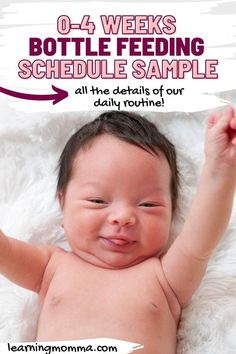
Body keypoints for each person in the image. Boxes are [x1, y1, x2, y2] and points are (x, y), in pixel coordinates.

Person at [0, 109, 236, 353]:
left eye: (148, 205)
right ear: (63, 203)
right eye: (97, 201)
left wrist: (221, 167)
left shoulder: (166, 278)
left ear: (172, 213)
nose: (123, 218)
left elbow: (201, 236)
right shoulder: (49, 267)